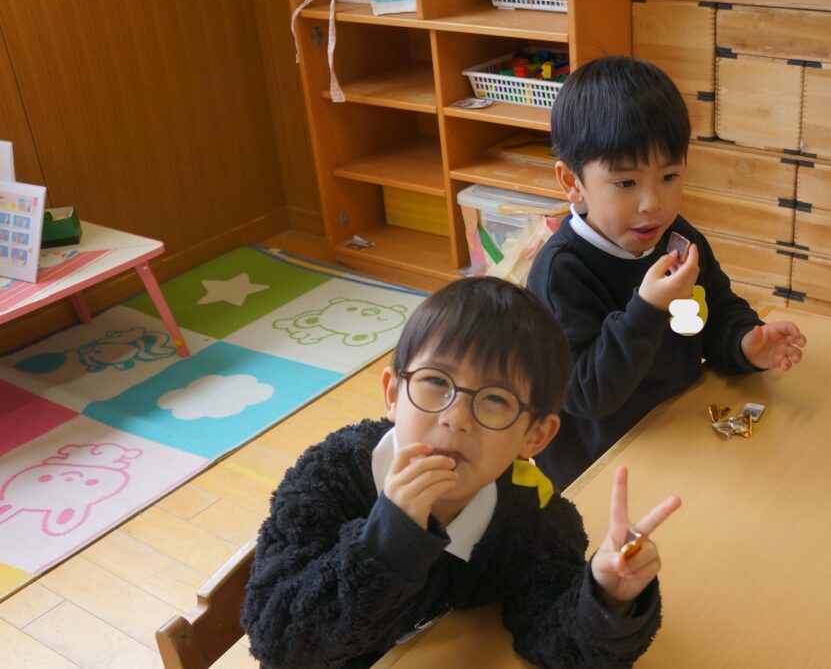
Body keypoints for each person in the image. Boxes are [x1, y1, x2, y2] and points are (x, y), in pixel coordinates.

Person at [242, 277, 682, 669]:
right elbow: (277, 641)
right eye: (436, 382)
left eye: (495, 400)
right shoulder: (331, 476)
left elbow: (555, 637)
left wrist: (607, 598)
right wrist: (389, 542)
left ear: (535, 436)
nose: (455, 418)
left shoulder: (530, 517)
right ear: (393, 393)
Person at [526, 56, 807, 489]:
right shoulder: (560, 274)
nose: (652, 203)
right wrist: (647, 309)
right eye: (626, 183)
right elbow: (587, 394)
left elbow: (715, 309)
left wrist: (744, 342)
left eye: (669, 176)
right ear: (573, 182)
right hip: (600, 473)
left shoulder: (678, 239)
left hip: (679, 434)